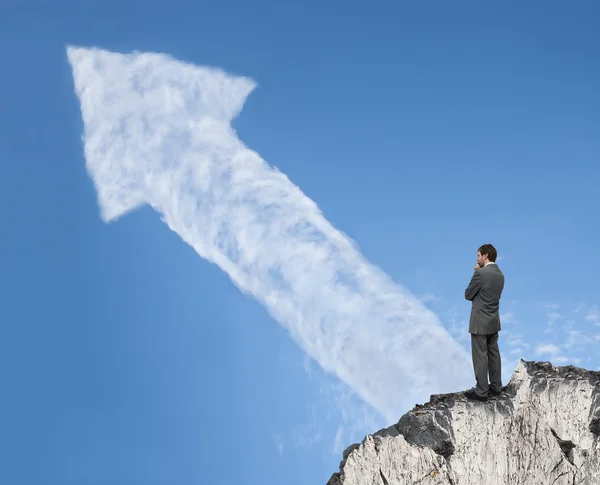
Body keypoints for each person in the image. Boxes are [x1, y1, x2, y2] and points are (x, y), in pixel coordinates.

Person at [464, 243, 505, 402]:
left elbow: (468, 294)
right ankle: (496, 386)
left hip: (480, 321)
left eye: (478, 255)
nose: (477, 258)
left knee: (480, 356)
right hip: (493, 320)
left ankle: (481, 391)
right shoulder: (500, 275)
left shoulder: (480, 274)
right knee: (493, 353)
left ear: (485, 255)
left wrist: (475, 273)